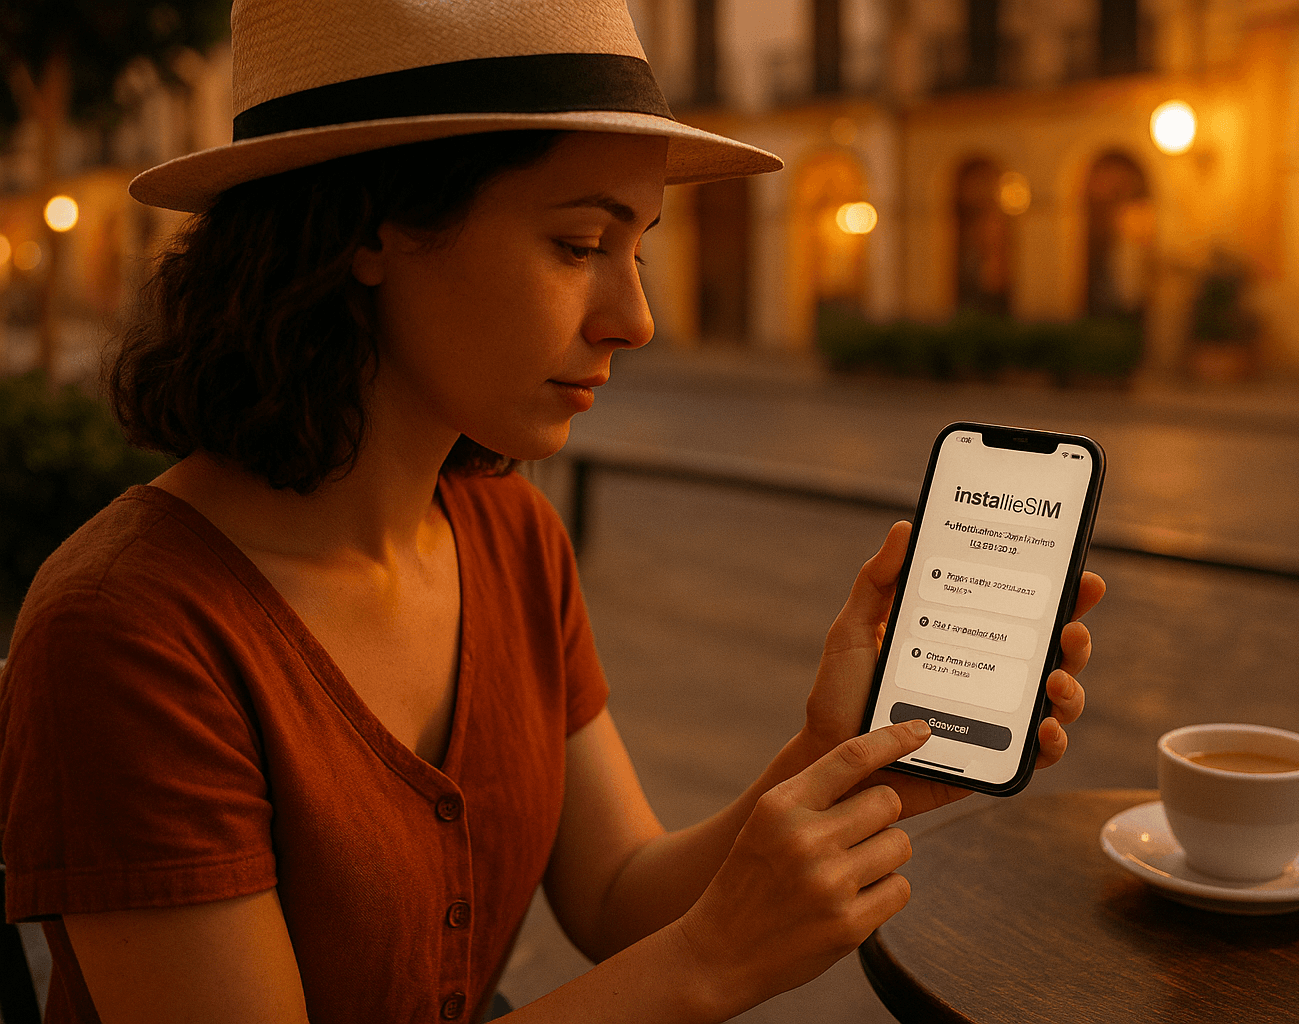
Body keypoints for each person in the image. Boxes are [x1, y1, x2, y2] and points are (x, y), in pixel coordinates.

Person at [0, 1, 1105, 1022]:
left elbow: (622, 892)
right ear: (369, 230)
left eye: (638, 248)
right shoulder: (129, 630)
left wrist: (843, 755)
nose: (637, 317)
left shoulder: (509, 533)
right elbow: (673, 946)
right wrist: (711, 962)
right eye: (580, 244)